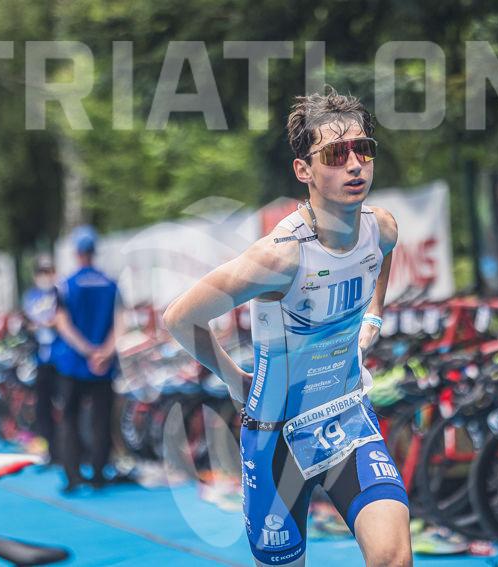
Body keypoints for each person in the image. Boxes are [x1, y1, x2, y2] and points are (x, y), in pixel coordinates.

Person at [164, 89, 412, 567]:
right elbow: (180, 317)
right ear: (304, 170)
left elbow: (382, 257)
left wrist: (373, 316)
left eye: (363, 150)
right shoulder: (278, 257)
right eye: (336, 155)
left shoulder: (381, 227)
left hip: (346, 417)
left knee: (393, 558)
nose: (355, 165)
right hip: (276, 436)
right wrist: (234, 379)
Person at [53, 225, 119, 492]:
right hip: (104, 365)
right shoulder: (110, 284)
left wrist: (87, 350)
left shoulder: (66, 285)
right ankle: (99, 473)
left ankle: (73, 474)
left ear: (76, 252)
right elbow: (120, 323)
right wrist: (105, 351)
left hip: (74, 363)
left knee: (70, 419)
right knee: (102, 420)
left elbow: (63, 324)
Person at [22, 253, 60, 463]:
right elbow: (29, 321)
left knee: (65, 405)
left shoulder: (61, 293)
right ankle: (49, 448)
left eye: (48, 271)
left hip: (61, 359)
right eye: (42, 272)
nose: (45, 276)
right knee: (43, 406)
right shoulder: (31, 296)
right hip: (40, 359)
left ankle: (66, 449)